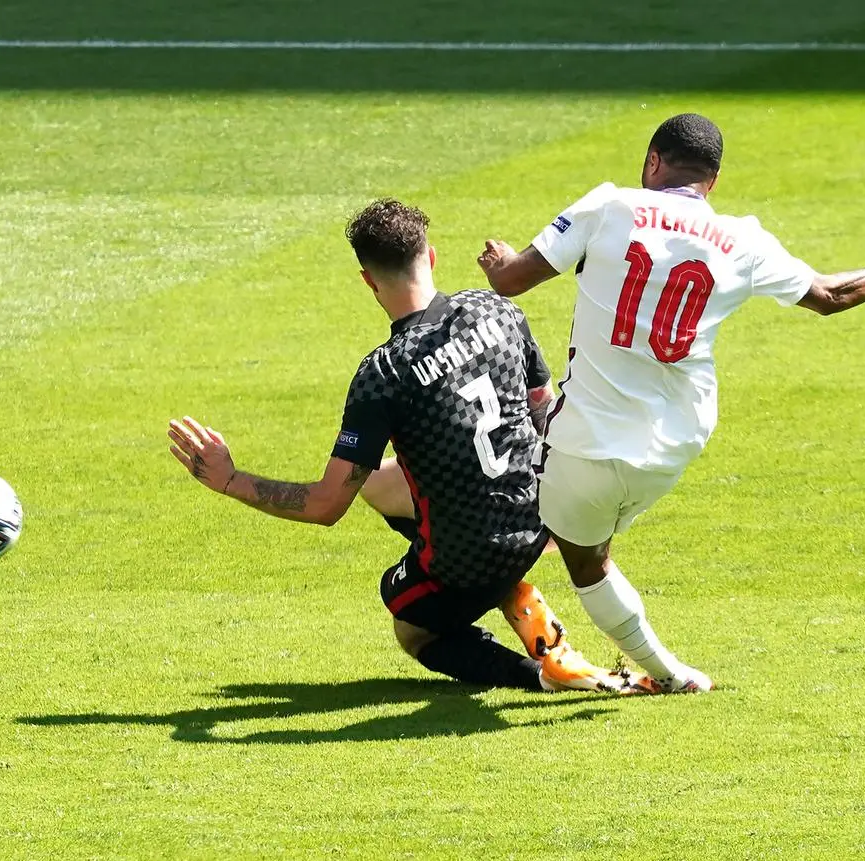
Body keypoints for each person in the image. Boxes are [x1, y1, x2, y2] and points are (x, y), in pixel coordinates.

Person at [475, 113, 865, 694]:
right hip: (675, 444)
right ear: (711, 181)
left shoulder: (610, 205)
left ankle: (667, 673)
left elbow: (511, 281)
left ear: (653, 161)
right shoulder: (743, 239)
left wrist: (498, 261)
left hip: (589, 440)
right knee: (598, 518)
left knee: (583, 555)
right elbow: (829, 296)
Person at [168, 198, 623, 693]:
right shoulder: (499, 310)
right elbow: (544, 409)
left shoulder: (384, 374)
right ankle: (507, 586)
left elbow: (325, 505)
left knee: (410, 622)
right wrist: (558, 509)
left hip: (475, 554)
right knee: (379, 485)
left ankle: (544, 674)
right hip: (539, 516)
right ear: (431, 257)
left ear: (368, 281)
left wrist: (230, 479)